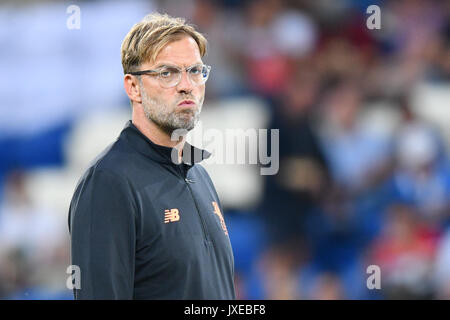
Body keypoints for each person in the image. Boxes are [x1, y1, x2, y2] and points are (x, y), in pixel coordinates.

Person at [68, 13, 235, 300]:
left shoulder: (199, 175)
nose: (187, 85)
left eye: (195, 71)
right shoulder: (109, 182)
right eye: (167, 73)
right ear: (133, 87)